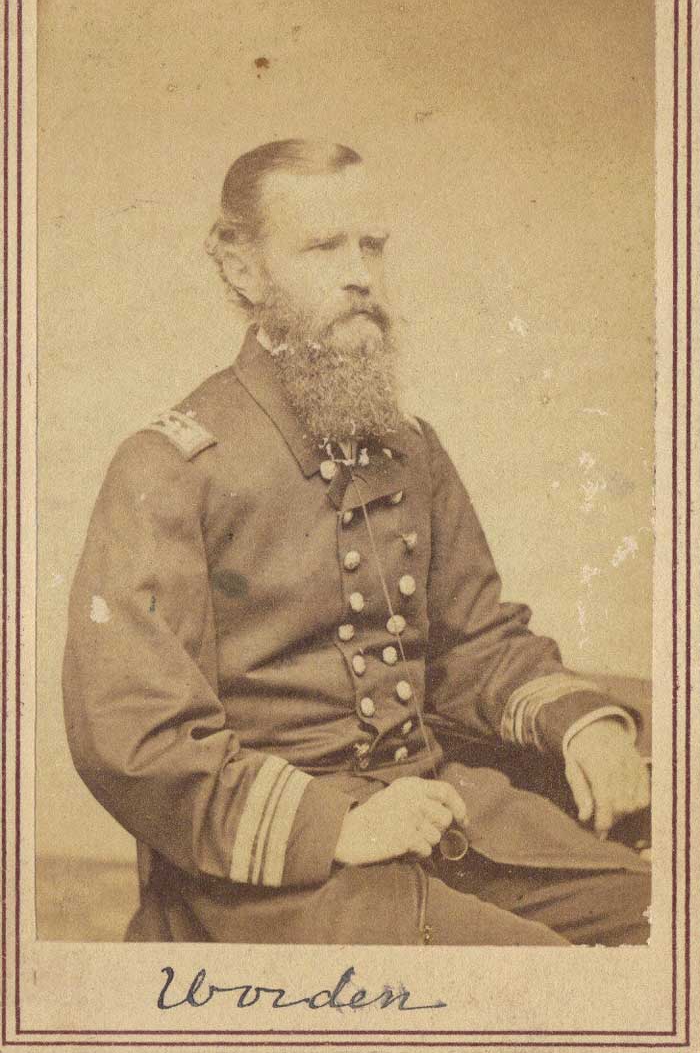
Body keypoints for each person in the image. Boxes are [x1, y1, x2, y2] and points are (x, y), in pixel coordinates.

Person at [63, 138, 651, 946]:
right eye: (323, 247)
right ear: (241, 267)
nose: (361, 275)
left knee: (656, 912)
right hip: (274, 883)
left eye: (371, 246)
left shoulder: (409, 447)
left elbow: (475, 641)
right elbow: (135, 734)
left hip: (438, 816)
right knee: (548, 979)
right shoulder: (169, 467)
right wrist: (335, 825)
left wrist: (583, 725)